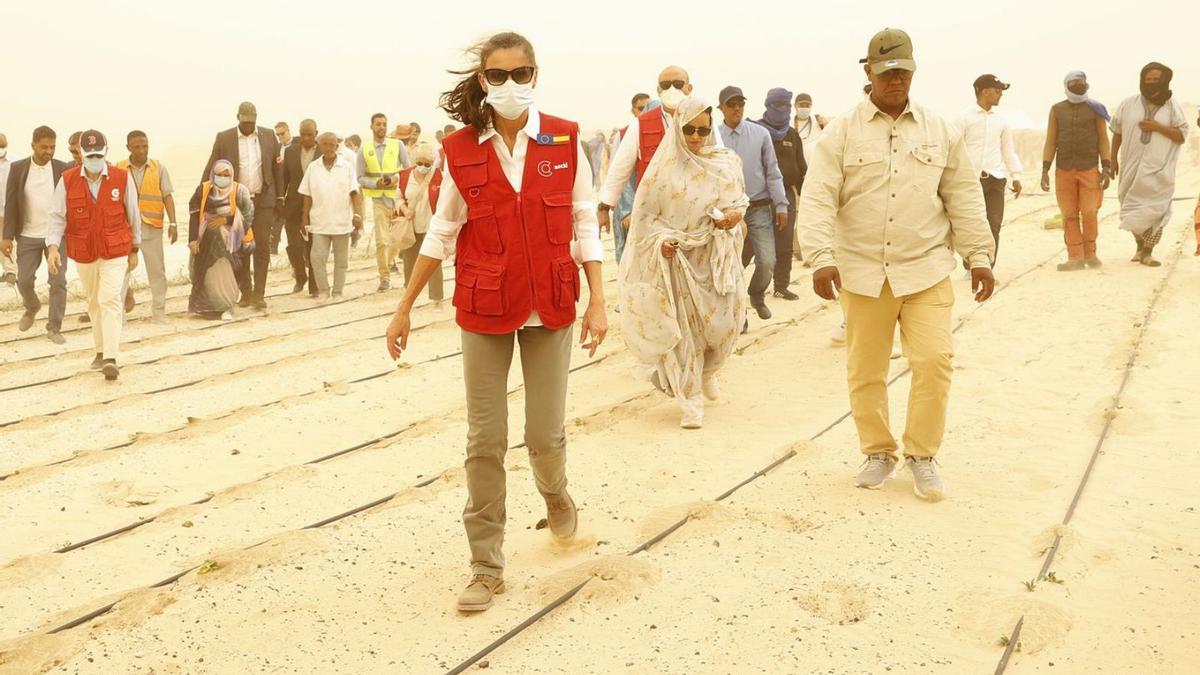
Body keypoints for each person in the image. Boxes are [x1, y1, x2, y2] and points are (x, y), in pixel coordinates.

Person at [385, 31, 606, 613]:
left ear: (536, 75)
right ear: (484, 81)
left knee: (543, 434)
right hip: (484, 308)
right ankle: (486, 564)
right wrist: (404, 304)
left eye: (522, 73)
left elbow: (585, 222)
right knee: (484, 439)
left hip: (551, 304)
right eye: (499, 75)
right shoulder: (459, 150)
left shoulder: (565, 137)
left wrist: (599, 299)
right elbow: (441, 230)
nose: (511, 85)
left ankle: (555, 496)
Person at [797, 28, 996, 502]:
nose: (895, 81)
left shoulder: (939, 129)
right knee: (866, 369)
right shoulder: (842, 131)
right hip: (863, 272)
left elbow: (964, 196)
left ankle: (922, 455)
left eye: (903, 72)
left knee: (934, 360)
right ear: (868, 72)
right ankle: (878, 452)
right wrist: (821, 257)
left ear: (913, 71)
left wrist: (979, 256)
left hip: (925, 269)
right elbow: (818, 197)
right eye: (886, 72)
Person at [620, 96, 748, 429]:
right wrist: (661, 242)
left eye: (702, 131)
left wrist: (732, 218)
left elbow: (739, 204)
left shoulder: (726, 163)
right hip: (678, 263)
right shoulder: (662, 173)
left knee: (724, 326)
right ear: (678, 128)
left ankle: (709, 371)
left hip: (716, 261)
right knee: (685, 334)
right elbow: (645, 221)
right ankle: (690, 400)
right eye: (689, 129)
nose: (695, 137)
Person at [45, 130, 141, 380]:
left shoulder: (122, 178)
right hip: (85, 252)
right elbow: (56, 217)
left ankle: (111, 357)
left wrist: (135, 249)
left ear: (106, 152)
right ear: (81, 155)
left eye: (99, 154)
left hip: (115, 250)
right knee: (94, 302)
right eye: (90, 155)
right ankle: (99, 352)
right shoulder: (67, 180)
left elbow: (133, 214)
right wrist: (53, 247)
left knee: (110, 299)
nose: (95, 159)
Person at [597, 66, 724, 233]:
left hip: (697, 214)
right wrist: (604, 207)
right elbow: (620, 169)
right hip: (654, 218)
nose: (672, 89)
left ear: (689, 88)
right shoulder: (640, 125)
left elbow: (720, 163)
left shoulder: (704, 120)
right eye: (665, 85)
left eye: (678, 84)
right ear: (658, 89)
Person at [717, 85, 788, 323]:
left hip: (758, 208)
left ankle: (756, 295)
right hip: (726, 212)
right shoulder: (712, 136)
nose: (737, 109)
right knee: (732, 265)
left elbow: (773, 172)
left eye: (740, 104)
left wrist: (781, 205)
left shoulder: (760, 134)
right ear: (721, 108)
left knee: (767, 261)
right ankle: (739, 317)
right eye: (731, 104)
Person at [202, 102, 284, 308]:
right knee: (239, 247)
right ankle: (246, 292)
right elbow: (212, 168)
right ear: (237, 117)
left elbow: (277, 170)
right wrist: (203, 197)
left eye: (252, 122)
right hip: (236, 202)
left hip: (263, 199)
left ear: (256, 118)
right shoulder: (224, 138)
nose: (248, 126)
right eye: (245, 122)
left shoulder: (268, 136)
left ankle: (259, 295)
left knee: (262, 246)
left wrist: (280, 198)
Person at [1110, 62, 1189, 267]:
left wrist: (1157, 127)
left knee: (1156, 209)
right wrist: (1112, 158)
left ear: (1164, 81)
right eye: (1148, 79)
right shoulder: (1128, 103)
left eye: (1156, 79)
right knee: (1130, 207)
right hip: (1130, 167)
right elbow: (1117, 131)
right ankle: (1139, 245)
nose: (1152, 83)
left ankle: (1148, 251)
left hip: (1159, 168)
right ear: (1142, 80)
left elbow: (1181, 135)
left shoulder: (1173, 106)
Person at [2, 126, 70, 343]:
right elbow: (11, 203)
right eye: (43, 147)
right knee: (23, 280)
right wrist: (6, 236)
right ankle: (32, 306)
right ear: (33, 145)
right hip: (28, 235)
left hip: (56, 236)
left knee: (58, 282)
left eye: (52, 147)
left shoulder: (62, 168)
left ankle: (54, 327)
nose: (48, 151)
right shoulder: (18, 168)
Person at [1041, 71, 1112, 271]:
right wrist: (1045, 169)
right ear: (1066, 85)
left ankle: (1091, 254)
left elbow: (1103, 139)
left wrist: (1106, 167)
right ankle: (1075, 257)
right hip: (1063, 169)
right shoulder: (1056, 110)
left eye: (1081, 82)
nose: (1078, 85)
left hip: (1089, 168)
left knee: (1089, 211)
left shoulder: (1096, 109)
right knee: (1068, 214)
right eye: (1074, 82)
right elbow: (1050, 140)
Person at [956, 74, 1023, 268]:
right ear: (985, 92)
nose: (1000, 95)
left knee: (994, 224)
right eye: (997, 91)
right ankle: (971, 267)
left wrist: (1015, 176)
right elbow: (953, 150)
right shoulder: (963, 118)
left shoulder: (1001, 121)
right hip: (971, 180)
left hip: (996, 178)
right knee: (973, 225)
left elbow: (1008, 151)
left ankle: (988, 267)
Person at [117, 131, 178, 324]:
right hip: (126, 231)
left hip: (152, 229)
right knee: (121, 274)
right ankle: (119, 316)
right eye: (137, 146)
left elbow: (167, 196)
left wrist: (173, 223)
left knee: (157, 273)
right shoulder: (118, 169)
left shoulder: (158, 168)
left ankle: (159, 313)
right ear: (128, 148)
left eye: (145, 145)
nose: (142, 150)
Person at [754, 87, 807, 301]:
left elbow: (801, 167)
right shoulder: (757, 131)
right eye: (778, 105)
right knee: (759, 247)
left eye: (786, 105)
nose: (782, 109)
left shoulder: (792, 135)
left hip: (786, 196)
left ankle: (781, 286)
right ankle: (755, 289)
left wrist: (808, 195)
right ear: (768, 106)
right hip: (760, 198)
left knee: (785, 245)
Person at [188, 160, 253, 320]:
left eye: (226, 175)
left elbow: (248, 216)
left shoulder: (240, 191)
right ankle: (205, 308)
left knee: (227, 273)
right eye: (219, 175)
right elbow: (194, 215)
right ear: (213, 175)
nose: (222, 178)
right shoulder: (203, 189)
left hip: (232, 242)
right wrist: (193, 239)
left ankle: (226, 307)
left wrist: (226, 221)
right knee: (206, 273)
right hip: (206, 241)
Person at [302, 132, 363, 300]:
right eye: (325, 144)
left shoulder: (346, 167)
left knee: (341, 262)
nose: (329, 148)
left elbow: (355, 193)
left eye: (332, 145)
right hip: (319, 222)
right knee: (316, 258)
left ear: (337, 146)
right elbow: (307, 195)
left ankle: (337, 292)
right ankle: (323, 291)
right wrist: (304, 218)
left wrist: (357, 214)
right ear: (320, 146)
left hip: (341, 221)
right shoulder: (313, 167)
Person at [357, 113, 410, 291]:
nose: (382, 127)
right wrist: (375, 183)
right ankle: (384, 277)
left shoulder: (398, 145)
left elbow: (407, 169)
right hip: (378, 200)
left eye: (384, 124)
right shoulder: (364, 150)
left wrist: (395, 178)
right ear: (371, 126)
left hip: (396, 199)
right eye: (378, 124)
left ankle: (391, 264)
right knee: (382, 241)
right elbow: (359, 177)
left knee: (397, 240)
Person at [395, 141, 444, 301]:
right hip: (411, 226)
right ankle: (409, 298)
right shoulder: (404, 176)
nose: (423, 166)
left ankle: (436, 298)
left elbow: (445, 200)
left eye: (427, 164)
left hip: (431, 227)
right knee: (409, 262)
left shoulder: (439, 176)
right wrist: (404, 209)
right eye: (420, 163)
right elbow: (397, 198)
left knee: (433, 263)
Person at [612, 94, 654, 266]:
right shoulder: (623, 136)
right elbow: (619, 175)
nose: (645, 112)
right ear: (633, 111)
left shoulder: (659, 134)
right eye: (640, 108)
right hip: (629, 207)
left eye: (648, 107)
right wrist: (626, 210)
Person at [280, 119, 320, 296]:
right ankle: (300, 276)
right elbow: (284, 180)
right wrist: (279, 200)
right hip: (293, 206)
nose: (305, 138)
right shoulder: (290, 152)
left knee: (313, 247)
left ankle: (314, 285)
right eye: (302, 134)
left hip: (317, 206)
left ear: (316, 134)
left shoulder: (323, 152)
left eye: (309, 134)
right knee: (294, 246)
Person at [0, 133, 15, 284]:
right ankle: (7, 271)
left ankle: (12, 273)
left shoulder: (14, 162)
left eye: (2, 146)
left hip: (10, 210)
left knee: (9, 241)